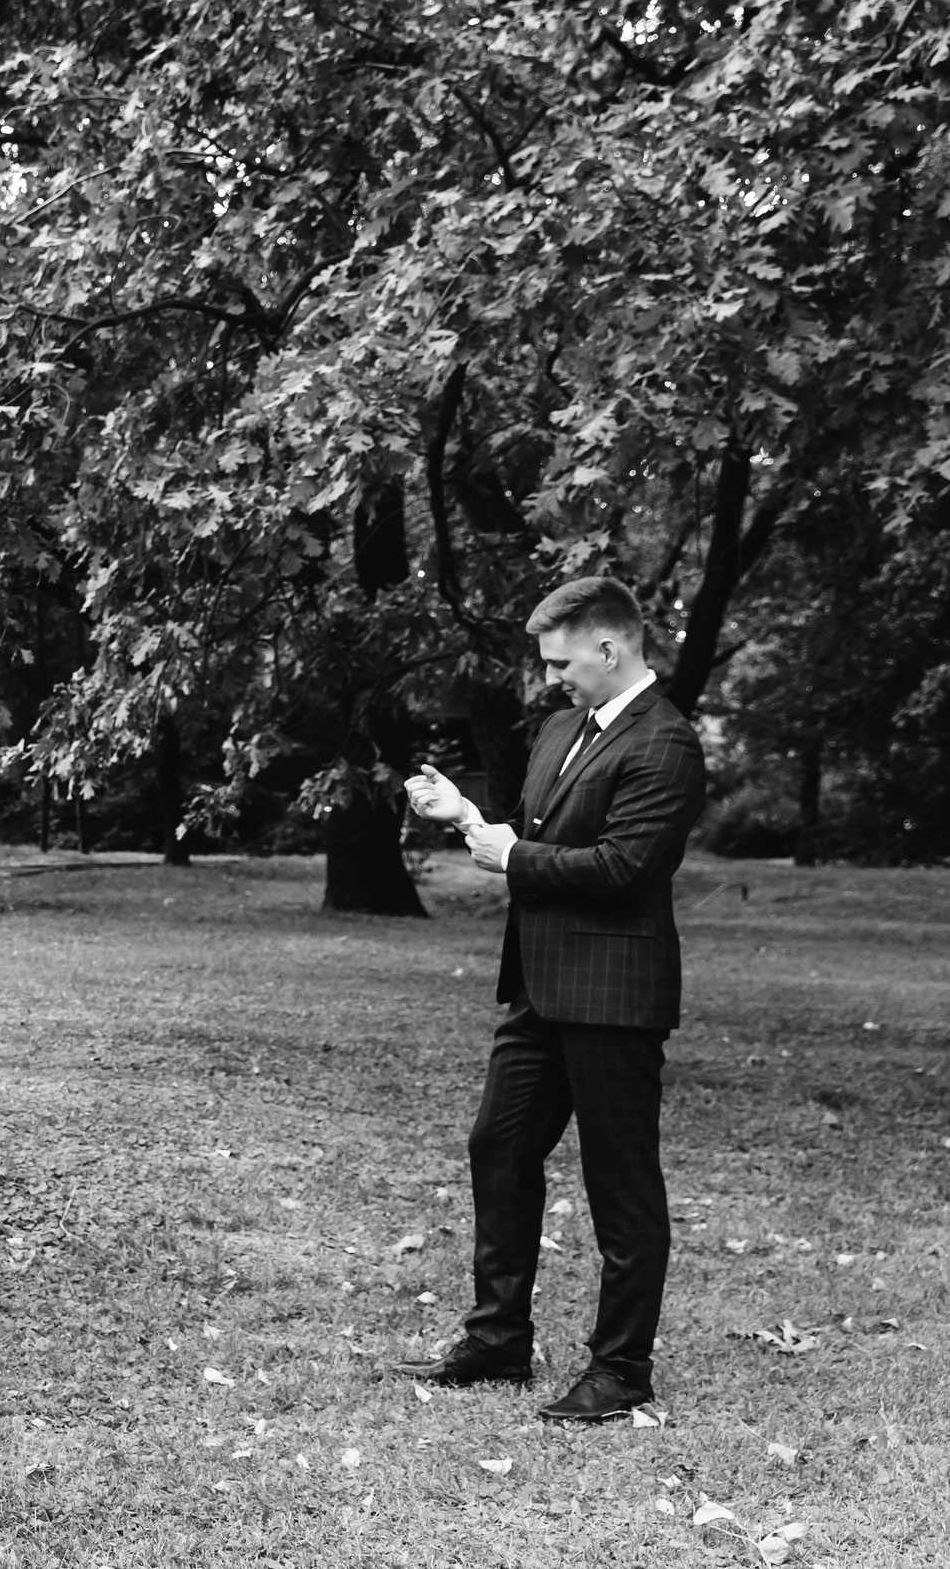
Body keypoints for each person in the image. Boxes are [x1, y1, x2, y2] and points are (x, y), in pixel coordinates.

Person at [399, 575, 708, 1425]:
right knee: (497, 1146)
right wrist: (467, 816)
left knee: (622, 1185)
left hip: (614, 996)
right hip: (539, 988)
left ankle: (621, 1369)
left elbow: (620, 868)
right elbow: (532, 840)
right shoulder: (563, 729)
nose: (552, 679)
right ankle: (499, 1340)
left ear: (609, 649)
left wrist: (506, 855)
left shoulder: (668, 743)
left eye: (562, 661)